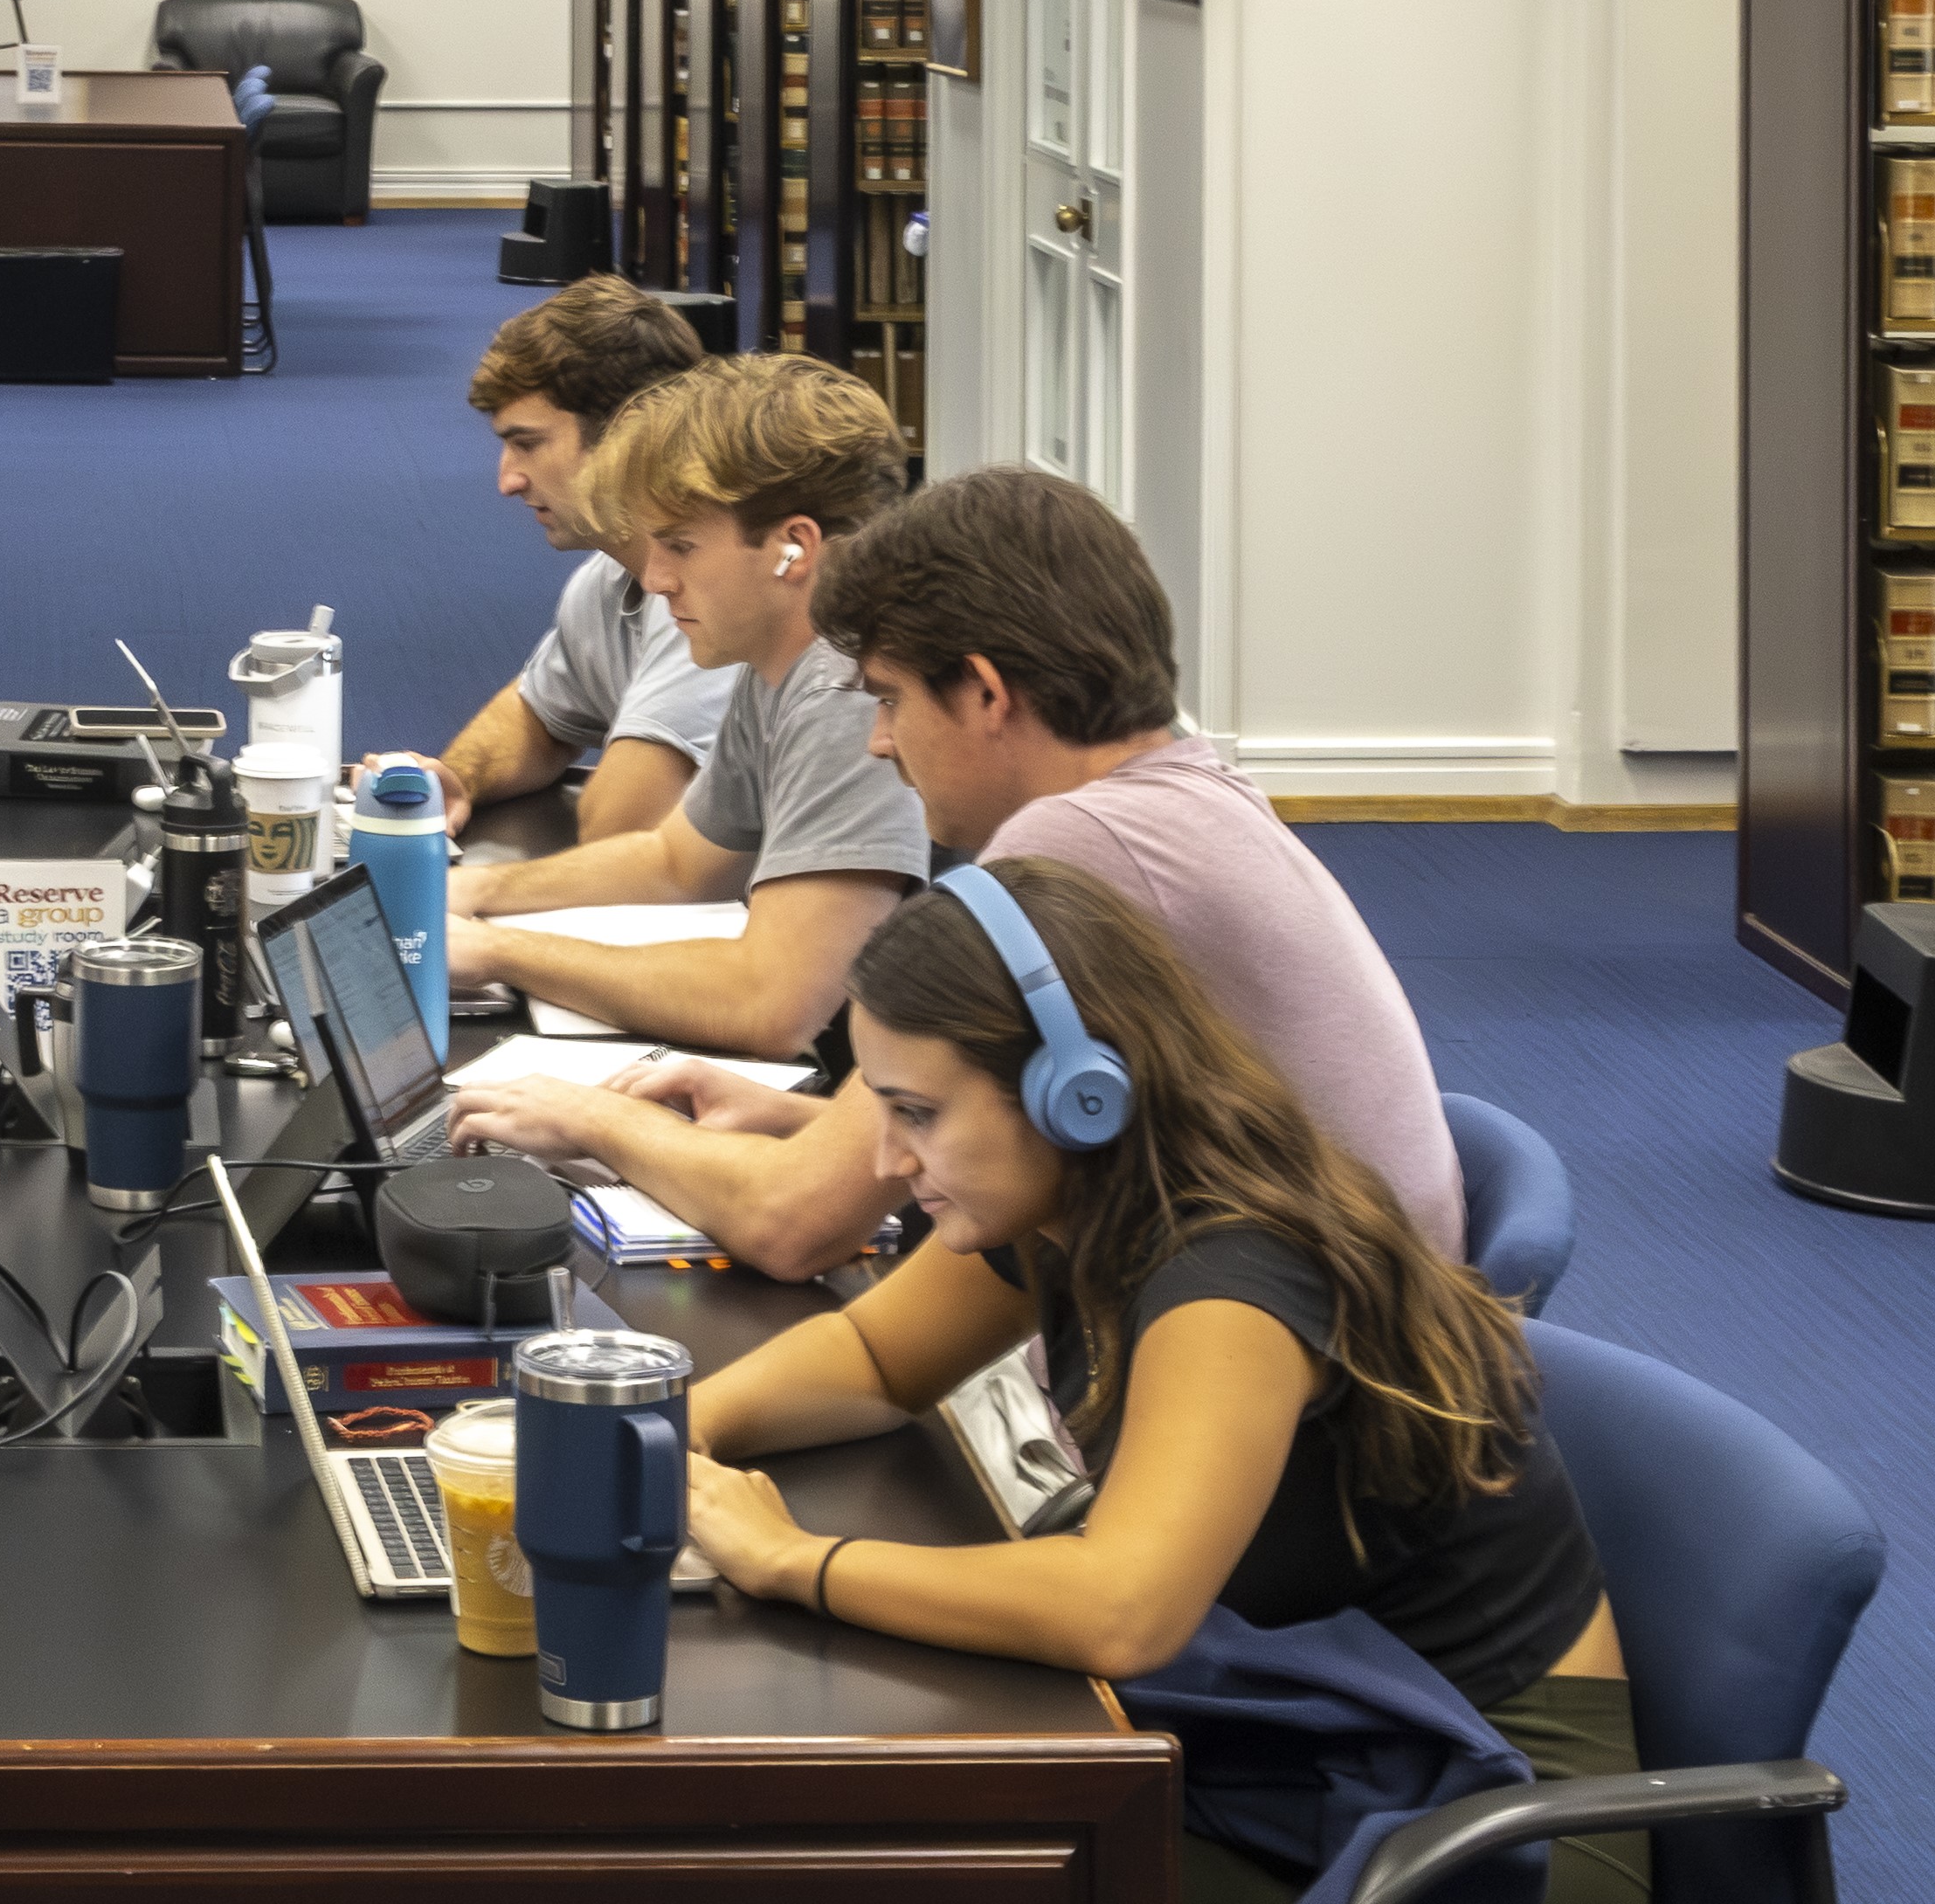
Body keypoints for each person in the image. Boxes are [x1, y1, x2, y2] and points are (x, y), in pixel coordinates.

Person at [667, 859, 1641, 1904]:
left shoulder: (1232, 1277)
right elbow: (876, 1357)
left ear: (1074, 1096)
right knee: (847, 1852)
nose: (882, 1161)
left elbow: (1120, 1609)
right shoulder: (1084, 1198)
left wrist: (790, 1559)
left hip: (1486, 1856)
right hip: (1313, 1746)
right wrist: (656, 1429)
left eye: (916, 1113)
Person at [445, 464, 1462, 1278]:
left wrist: (595, 1119)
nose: (879, 742)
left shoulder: (1068, 851)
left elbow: (791, 1222)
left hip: (1299, 1376)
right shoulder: (1186, 793)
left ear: (983, 693)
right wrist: (813, 1119)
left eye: (889, 699)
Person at [436, 355, 936, 1059]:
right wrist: (472, 892)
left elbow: (772, 1004)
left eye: (680, 546)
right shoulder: (777, 663)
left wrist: (498, 952)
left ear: (793, 548)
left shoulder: (847, 690)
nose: (656, 579)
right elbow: (675, 862)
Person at [412, 276, 739, 841]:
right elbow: (538, 716)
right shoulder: (608, 580)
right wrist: (458, 779)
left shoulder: (718, 591)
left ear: (626, 436)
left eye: (528, 444)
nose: (508, 481)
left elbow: (620, 827)